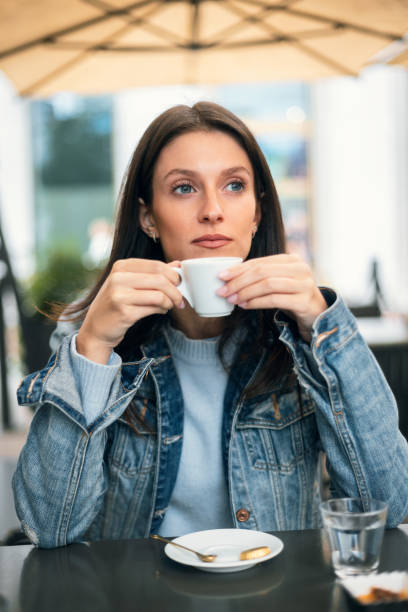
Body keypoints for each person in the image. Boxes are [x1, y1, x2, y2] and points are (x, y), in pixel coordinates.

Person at [13, 102, 408, 549]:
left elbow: (389, 505)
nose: (213, 210)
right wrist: (93, 346)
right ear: (148, 217)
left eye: (234, 185)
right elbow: (49, 528)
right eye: (184, 188)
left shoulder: (299, 340)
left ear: (256, 214)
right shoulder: (101, 344)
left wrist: (323, 327)